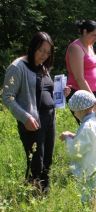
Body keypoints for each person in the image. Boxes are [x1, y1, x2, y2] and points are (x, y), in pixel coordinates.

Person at [2, 32, 55, 193]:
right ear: (33, 48)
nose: (44, 55)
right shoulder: (17, 67)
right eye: (41, 51)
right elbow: (7, 96)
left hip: (49, 119)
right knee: (36, 162)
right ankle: (32, 197)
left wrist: (62, 93)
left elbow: (46, 90)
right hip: (32, 121)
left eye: (48, 52)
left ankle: (44, 195)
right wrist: (25, 118)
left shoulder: (42, 66)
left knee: (47, 159)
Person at [59, 90, 96, 206]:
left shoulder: (86, 126)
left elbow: (76, 151)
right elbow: (91, 141)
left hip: (88, 171)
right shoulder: (95, 122)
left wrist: (67, 139)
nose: (74, 114)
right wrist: (74, 136)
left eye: (74, 111)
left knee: (88, 201)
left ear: (80, 110)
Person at [65, 20, 96, 121]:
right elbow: (79, 78)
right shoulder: (75, 48)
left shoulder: (90, 45)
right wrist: (92, 100)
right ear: (85, 32)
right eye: (94, 35)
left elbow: (89, 67)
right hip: (82, 93)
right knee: (90, 124)